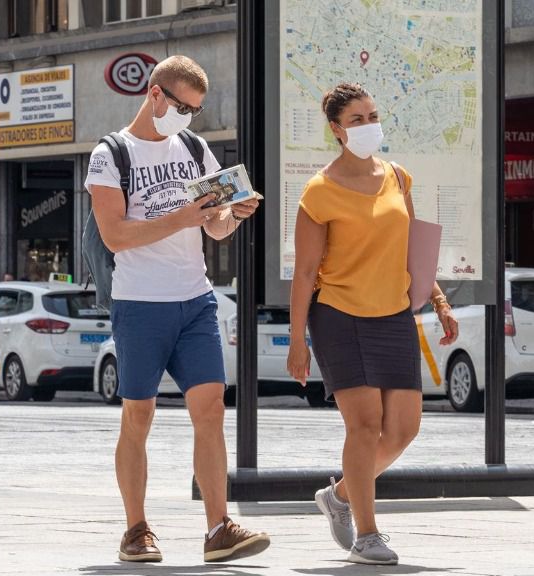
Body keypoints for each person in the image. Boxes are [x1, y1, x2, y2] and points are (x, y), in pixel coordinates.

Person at [85, 55, 269, 563]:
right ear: (155, 94)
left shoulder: (193, 147)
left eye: (197, 109)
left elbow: (212, 227)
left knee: (210, 410)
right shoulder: (110, 154)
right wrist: (184, 214)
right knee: (138, 414)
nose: (189, 117)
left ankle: (218, 528)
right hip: (140, 302)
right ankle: (136, 529)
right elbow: (116, 235)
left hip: (195, 299)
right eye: (183, 106)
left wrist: (233, 214)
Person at [287, 83, 459, 566]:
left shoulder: (397, 177)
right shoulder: (319, 190)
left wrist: (439, 302)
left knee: (403, 429)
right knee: (364, 427)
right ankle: (367, 534)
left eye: (373, 115)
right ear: (337, 130)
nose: (368, 125)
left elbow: (412, 251)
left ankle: (340, 494)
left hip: (392, 315)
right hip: (339, 315)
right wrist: (298, 339)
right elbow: (304, 272)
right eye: (357, 119)